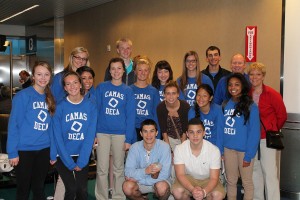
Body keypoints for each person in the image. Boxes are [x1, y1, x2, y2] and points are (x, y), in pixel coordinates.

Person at [7, 61, 56, 199]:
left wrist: (53, 153)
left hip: (43, 150)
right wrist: (12, 152)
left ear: (50, 76)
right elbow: (14, 125)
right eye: (39, 74)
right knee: (23, 189)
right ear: (33, 76)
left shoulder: (50, 98)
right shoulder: (23, 96)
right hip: (24, 150)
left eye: (46, 74)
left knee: (39, 188)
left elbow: (51, 128)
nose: (43, 78)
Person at [50, 71, 97, 200]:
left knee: (81, 190)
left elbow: (90, 136)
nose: (72, 86)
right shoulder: (59, 107)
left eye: (75, 82)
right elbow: (57, 138)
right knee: (71, 188)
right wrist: (69, 163)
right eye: (68, 84)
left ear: (80, 85)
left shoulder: (91, 107)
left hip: (82, 153)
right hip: (63, 154)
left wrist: (82, 161)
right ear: (65, 88)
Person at [95, 57, 136, 200]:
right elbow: (96, 111)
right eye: (113, 68)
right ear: (109, 71)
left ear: (123, 71)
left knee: (119, 168)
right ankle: (102, 196)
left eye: (119, 68)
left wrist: (129, 139)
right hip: (102, 133)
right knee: (102, 169)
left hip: (120, 134)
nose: (116, 71)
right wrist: (94, 133)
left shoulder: (128, 91)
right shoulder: (101, 87)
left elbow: (131, 116)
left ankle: (118, 196)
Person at [248, 62, 287, 200]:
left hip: (267, 140)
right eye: (251, 74)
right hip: (252, 140)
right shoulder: (247, 94)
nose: (254, 77)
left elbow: (282, 115)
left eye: (258, 74)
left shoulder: (272, 94)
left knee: (270, 173)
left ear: (263, 76)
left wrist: (272, 128)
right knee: (254, 172)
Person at [223, 73, 260, 200]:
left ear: (243, 86)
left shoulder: (251, 106)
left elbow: (254, 133)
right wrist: (222, 150)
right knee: (231, 181)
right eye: (230, 85)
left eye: (237, 84)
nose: (233, 87)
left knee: (247, 183)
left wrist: (249, 155)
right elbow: (222, 129)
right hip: (228, 150)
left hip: (244, 152)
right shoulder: (225, 104)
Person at [172, 118, 225, 200]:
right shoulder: (179, 149)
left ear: (204, 133)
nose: (195, 135)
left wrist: (204, 192)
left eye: (198, 132)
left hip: (208, 179)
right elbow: (180, 175)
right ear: (187, 134)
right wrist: (193, 190)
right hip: (189, 178)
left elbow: (214, 178)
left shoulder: (214, 150)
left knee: (217, 195)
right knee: (177, 192)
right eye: (191, 132)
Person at [123, 119, 172, 200]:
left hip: (159, 181)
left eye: (152, 131)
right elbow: (128, 172)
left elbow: (165, 174)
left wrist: (140, 179)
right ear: (141, 133)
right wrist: (145, 171)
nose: (148, 135)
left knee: (162, 188)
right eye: (145, 131)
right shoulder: (134, 147)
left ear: (156, 133)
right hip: (140, 181)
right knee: (127, 187)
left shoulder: (165, 147)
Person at [130, 56, 160, 141]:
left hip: (149, 131)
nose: (143, 73)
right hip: (134, 129)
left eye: (146, 70)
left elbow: (156, 115)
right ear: (135, 72)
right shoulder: (129, 90)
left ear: (149, 72)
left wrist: (157, 136)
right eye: (140, 70)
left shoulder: (153, 91)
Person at [188, 84, 224, 153]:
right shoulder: (192, 111)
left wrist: (219, 151)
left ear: (210, 98)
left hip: (213, 147)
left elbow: (219, 134)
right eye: (198, 95)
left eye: (204, 96)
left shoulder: (217, 110)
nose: (201, 98)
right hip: (197, 147)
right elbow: (191, 133)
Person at [157, 80, 189, 151]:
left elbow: (185, 129)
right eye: (168, 93)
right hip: (169, 139)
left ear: (178, 94)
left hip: (184, 138)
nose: (171, 97)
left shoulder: (185, 106)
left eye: (173, 93)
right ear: (164, 95)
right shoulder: (160, 107)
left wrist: (182, 148)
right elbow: (163, 130)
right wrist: (169, 149)